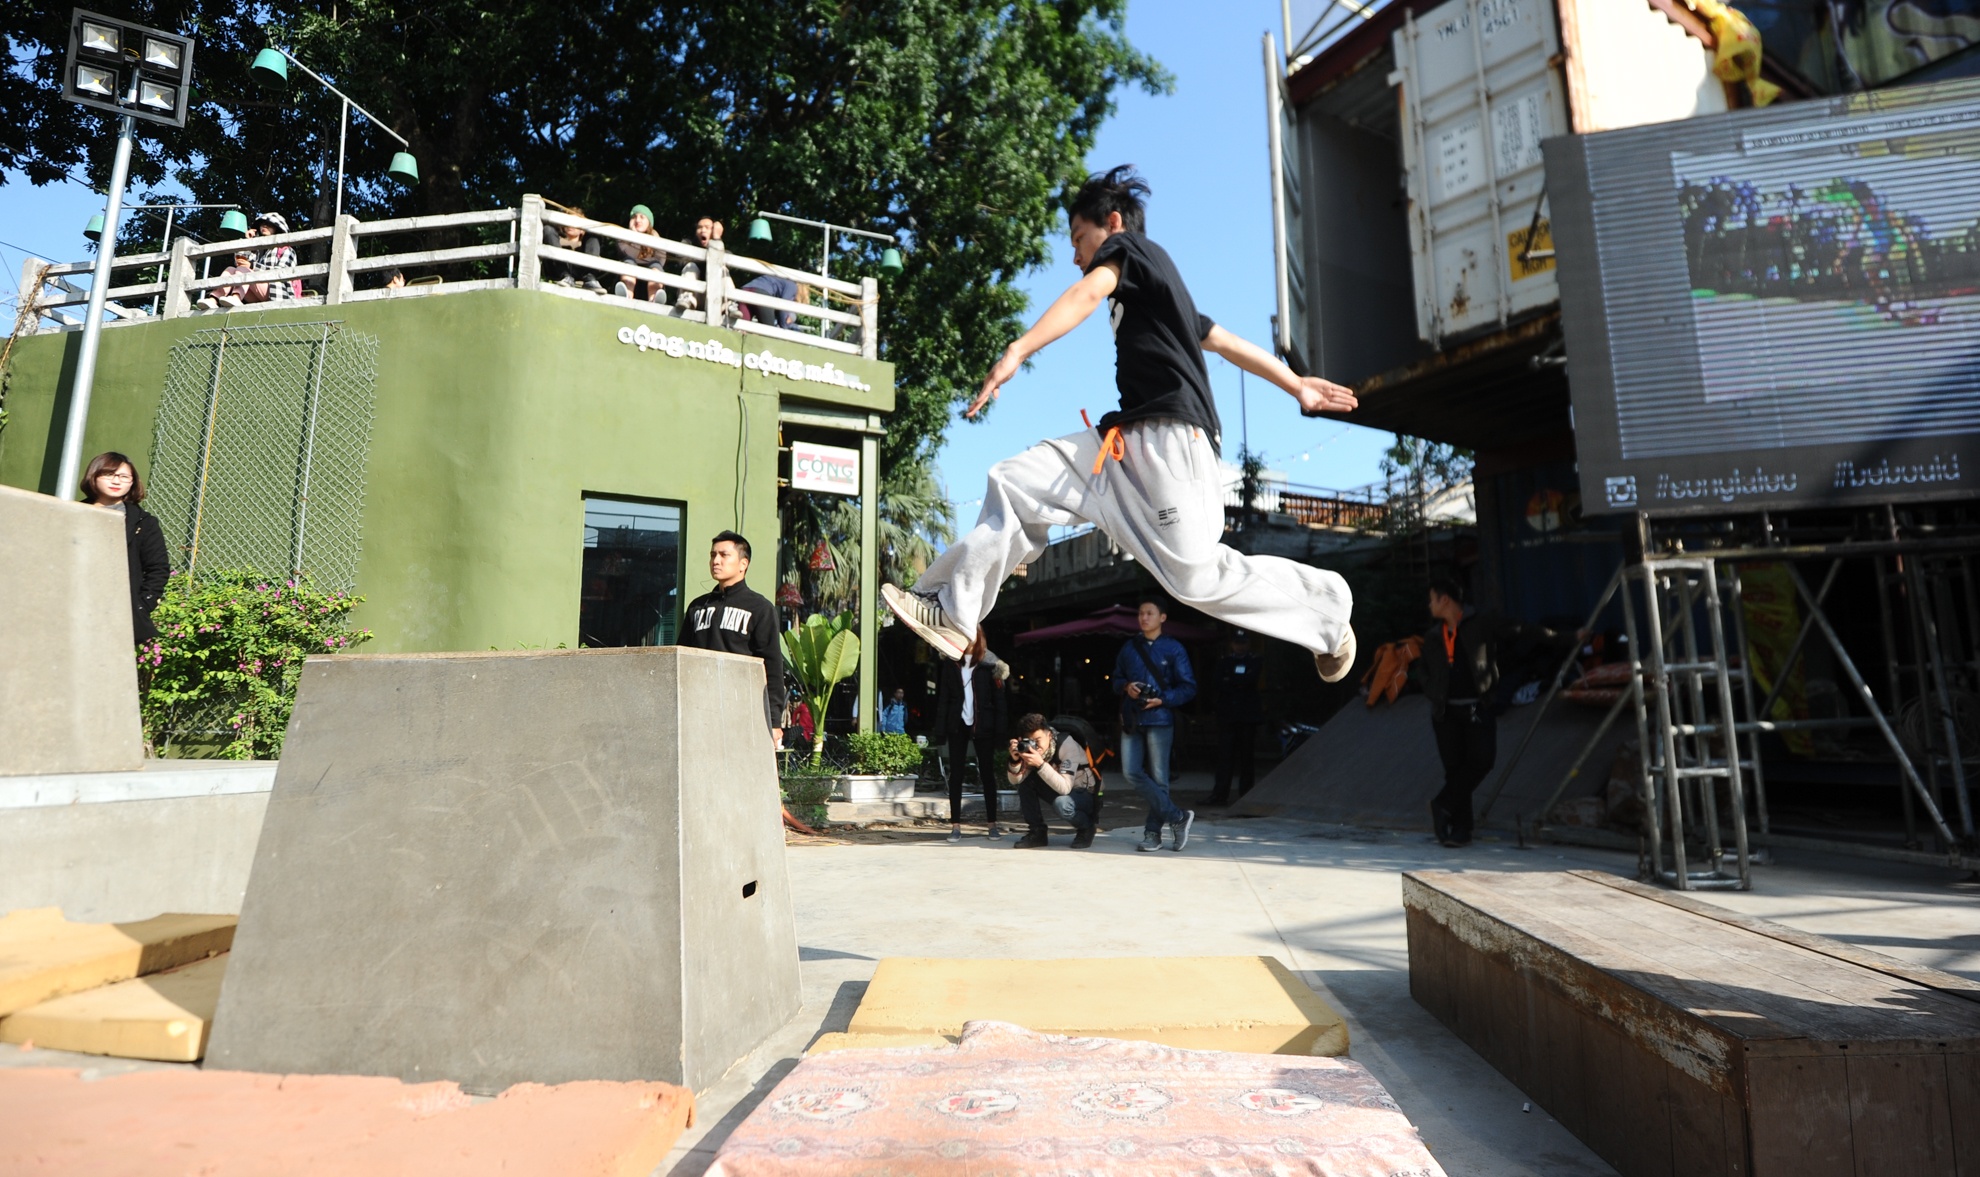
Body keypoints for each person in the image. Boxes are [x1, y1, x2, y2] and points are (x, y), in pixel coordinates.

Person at [879, 166, 1358, 689]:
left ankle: (1326, 611)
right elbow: (1223, 340)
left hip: (1172, 443)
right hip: (1121, 446)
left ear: (1111, 224)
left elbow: (1086, 295)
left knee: (1196, 576)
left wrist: (1018, 348)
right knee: (1017, 482)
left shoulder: (1129, 250)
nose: (1076, 256)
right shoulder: (1158, 290)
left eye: (1079, 240)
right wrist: (1296, 386)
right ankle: (951, 610)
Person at [1421, 577, 1581, 847]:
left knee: (1483, 761)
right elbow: (1424, 671)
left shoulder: (1481, 623)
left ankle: (1443, 804)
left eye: (1432, 599)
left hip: (1476, 706)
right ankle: (1460, 831)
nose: (1429, 605)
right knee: (1455, 771)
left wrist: (1567, 638)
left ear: (1444, 600)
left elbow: (1523, 630)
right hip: (1446, 714)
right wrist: (1432, 692)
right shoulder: (1434, 636)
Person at [679, 531, 784, 746]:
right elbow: (682, 657)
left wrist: (773, 721)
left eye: (724, 555)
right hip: (698, 709)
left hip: (742, 712)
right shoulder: (697, 607)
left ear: (743, 563)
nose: (715, 561)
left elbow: (772, 666)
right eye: (712, 555)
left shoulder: (760, 608)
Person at [1113, 597, 1197, 852]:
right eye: (1140, 613)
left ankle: (1152, 833)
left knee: (1160, 779)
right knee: (1131, 772)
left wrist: (1162, 699)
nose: (1144, 618)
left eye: (1149, 613)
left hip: (1160, 719)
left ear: (1162, 617)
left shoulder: (1174, 648)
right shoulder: (1129, 647)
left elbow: (1188, 687)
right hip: (1133, 718)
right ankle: (1178, 817)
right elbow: (1116, 679)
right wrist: (1127, 686)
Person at [79, 452, 169, 646]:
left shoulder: (145, 523)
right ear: (93, 477)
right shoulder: (73, 514)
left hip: (120, 614)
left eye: (124, 476)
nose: (116, 481)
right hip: (77, 607)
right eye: (109, 474)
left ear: (132, 482)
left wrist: (141, 606)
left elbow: (158, 569)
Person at [932, 626, 1007, 843]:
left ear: (978, 637)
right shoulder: (951, 663)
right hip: (958, 724)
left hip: (984, 724)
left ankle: (992, 824)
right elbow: (943, 698)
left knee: (987, 774)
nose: (967, 640)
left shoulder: (990, 665)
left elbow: (1000, 701)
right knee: (956, 774)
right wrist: (940, 730)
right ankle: (955, 825)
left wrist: (1001, 730)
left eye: (971, 635)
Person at [1006, 712, 1101, 849]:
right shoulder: (1032, 750)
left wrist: (1040, 764)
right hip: (1063, 790)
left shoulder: (1066, 745)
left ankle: (1087, 828)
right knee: (1027, 783)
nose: (1035, 745)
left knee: (1062, 804)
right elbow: (1016, 781)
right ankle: (1037, 833)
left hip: (1084, 794)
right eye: (1030, 741)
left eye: (1038, 739)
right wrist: (1015, 761)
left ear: (1049, 734)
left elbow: (1065, 788)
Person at [1208, 629, 1263, 806]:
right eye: (1237, 643)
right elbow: (1217, 683)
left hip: (1247, 717)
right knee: (1225, 757)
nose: (1240, 647)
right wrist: (1236, 681)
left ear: (1248, 644)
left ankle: (1246, 795)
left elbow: (1249, 680)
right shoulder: (1224, 661)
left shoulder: (1254, 660)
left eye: (1243, 643)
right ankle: (1219, 794)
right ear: (1232, 644)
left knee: (1246, 757)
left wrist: (1231, 680)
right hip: (1228, 716)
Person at [611, 205, 668, 302]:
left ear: (649, 222)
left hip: (648, 281)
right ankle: (626, 296)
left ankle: (654, 299)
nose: (637, 220)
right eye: (634, 217)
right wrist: (633, 236)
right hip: (628, 278)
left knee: (655, 265)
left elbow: (660, 259)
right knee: (629, 261)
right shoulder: (623, 237)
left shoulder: (657, 240)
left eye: (642, 217)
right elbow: (626, 254)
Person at [542, 207, 606, 292]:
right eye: (568, 221)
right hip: (558, 271)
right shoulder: (555, 239)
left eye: (575, 222)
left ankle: (590, 279)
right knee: (548, 229)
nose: (571, 225)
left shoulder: (587, 245)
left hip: (580, 271)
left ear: (582, 230)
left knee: (594, 235)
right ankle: (565, 276)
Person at [245, 212, 302, 304]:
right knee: (232, 269)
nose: (264, 226)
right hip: (256, 294)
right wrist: (248, 242)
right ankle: (214, 299)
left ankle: (235, 296)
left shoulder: (287, 250)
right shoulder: (259, 251)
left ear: (277, 229)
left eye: (269, 225)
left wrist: (253, 266)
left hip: (277, 293)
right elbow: (240, 262)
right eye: (262, 224)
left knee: (244, 270)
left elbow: (280, 272)